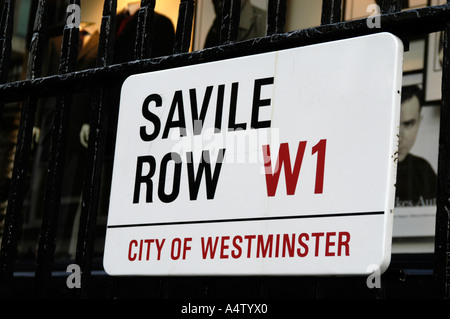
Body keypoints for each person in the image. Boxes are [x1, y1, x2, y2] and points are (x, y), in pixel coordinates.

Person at [395, 85, 437, 207]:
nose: (400, 137)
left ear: (419, 122)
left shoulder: (424, 170)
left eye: (408, 124)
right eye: (393, 125)